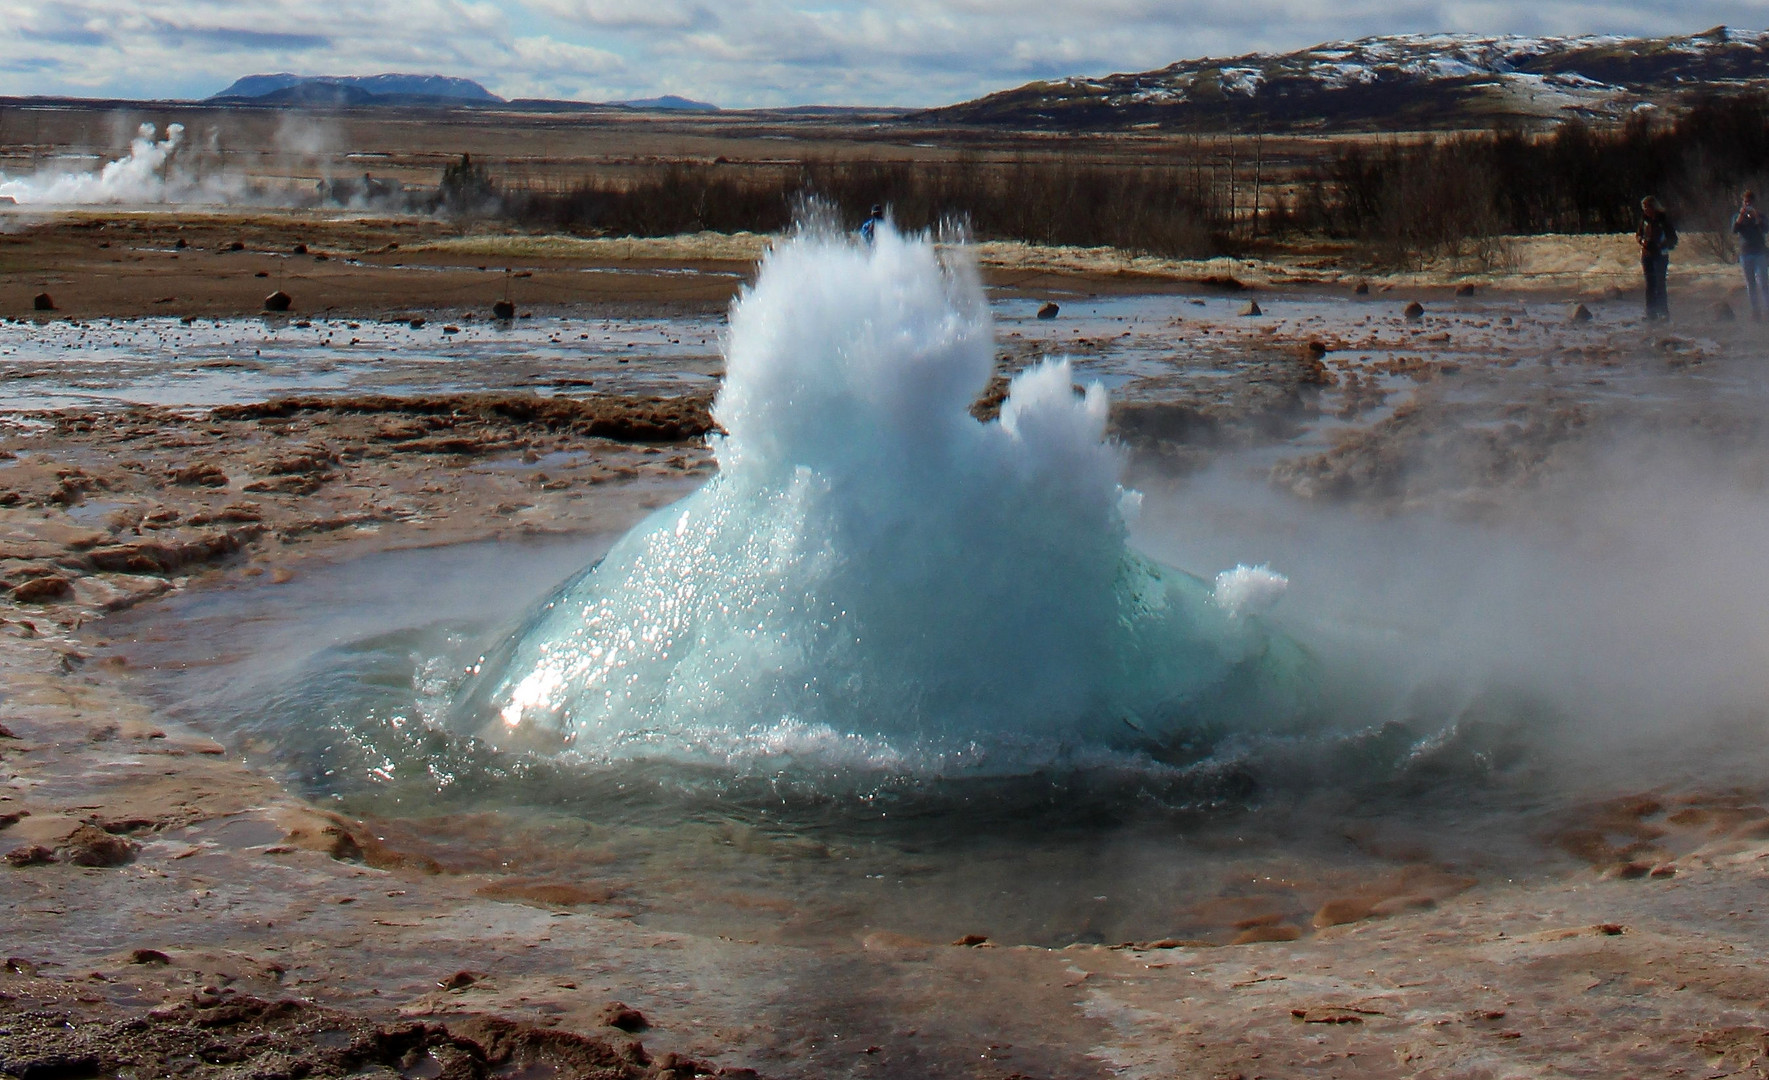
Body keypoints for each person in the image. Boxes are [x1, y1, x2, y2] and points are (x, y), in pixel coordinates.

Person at [1637, 196, 1677, 321]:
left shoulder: (1663, 220)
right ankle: (1650, 313)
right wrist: (1642, 241)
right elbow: (1638, 234)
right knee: (1650, 284)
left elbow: (1673, 239)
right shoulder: (1644, 220)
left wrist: (1661, 244)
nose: (1645, 210)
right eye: (1643, 208)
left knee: (1660, 283)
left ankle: (1663, 312)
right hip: (1647, 255)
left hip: (1660, 255)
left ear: (1653, 207)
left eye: (1646, 208)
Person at [1734, 190, 1769, 320]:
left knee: (1763, 282)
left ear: (1754, 203)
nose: (1747, 204)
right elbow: (1734, 229)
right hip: (1745, 254)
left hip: (1760, 253)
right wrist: (1741, 216)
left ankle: (1767, 309)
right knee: (1750, 284)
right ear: (1742, 202)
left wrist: (1756, 217)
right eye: (1745, 202)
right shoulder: (1737, 216)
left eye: (1750, 202)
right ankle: (1755, 311)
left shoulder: (1760, 215)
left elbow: (1766, 229)